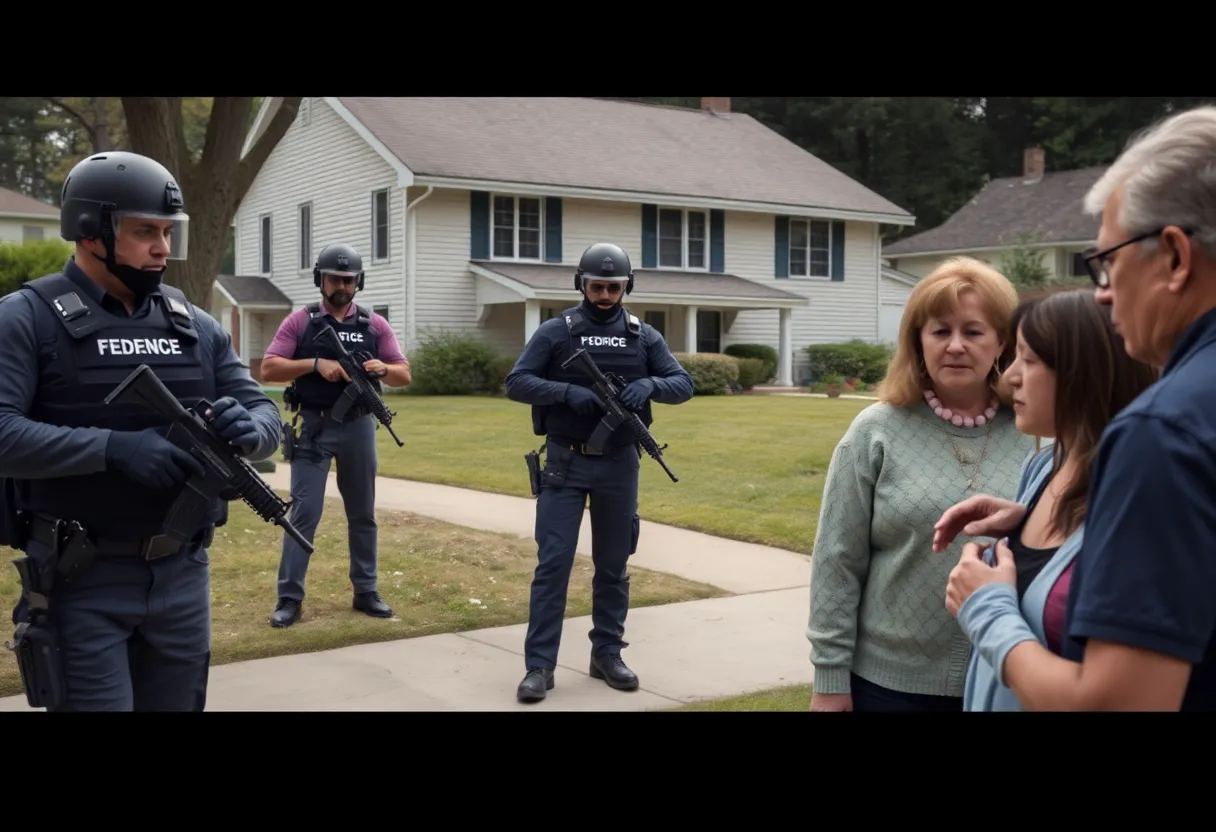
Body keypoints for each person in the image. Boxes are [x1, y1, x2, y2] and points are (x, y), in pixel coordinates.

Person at [934, 105, 1216, 711]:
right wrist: (1044, 522)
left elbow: (1120, 702)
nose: (1103, 293)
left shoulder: (1163, 433)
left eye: (1108, 262)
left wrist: (987, 612)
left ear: (1174, 256)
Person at [0, 150, 283, 711]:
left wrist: (248, 427)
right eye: (144, 232)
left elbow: (266, 413)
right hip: (81, 577)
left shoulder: (193, 324)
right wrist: (112, 449)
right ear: (90, 232)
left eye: (167, 231)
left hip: (182, 573)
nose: (162, 248)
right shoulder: (24, 319)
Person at [805, 256, 1035, 712]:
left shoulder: (1035, 428)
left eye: (973, 331)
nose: (955, 346)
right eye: (939, 331)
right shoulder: (875, 431)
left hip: (1006, 678)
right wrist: (830, 678)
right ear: (918, 341)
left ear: (1001, 342)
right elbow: (836, 561)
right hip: (890, 685)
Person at [936, 290, 1157, 711]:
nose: (1009, 377)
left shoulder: (1138, 499)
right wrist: (1026, 523)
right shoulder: (1042, 468)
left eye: (1029, 360)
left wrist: (982, 606)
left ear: (1085, 373)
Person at [503, 242, 693, 703]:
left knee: (613, 566)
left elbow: (683, 383)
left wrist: (650, 383)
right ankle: (539, 666)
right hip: (565, 464)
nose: (605, 294)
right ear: (581, 284)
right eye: (597, 286)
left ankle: (607, 653)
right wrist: (568, 394)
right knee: (554, 565)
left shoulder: (644, 336)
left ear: (627, 286)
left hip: (619, 465)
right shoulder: (556, 331)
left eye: (614, 286)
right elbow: (517, 382)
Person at [259, 243, 411, 628]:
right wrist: (314, 364)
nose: (342, 285)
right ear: (320, 280)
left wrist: (381, 369)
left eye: (349, 279)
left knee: (362, 513)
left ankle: (366, 590)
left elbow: (404, 374)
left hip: (359, 426)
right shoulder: (300, 322)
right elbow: (269, 369)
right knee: (304, 514)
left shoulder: (374, 325)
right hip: (314, 426)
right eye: (334, 278)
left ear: (358, 281)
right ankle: (289, 598)